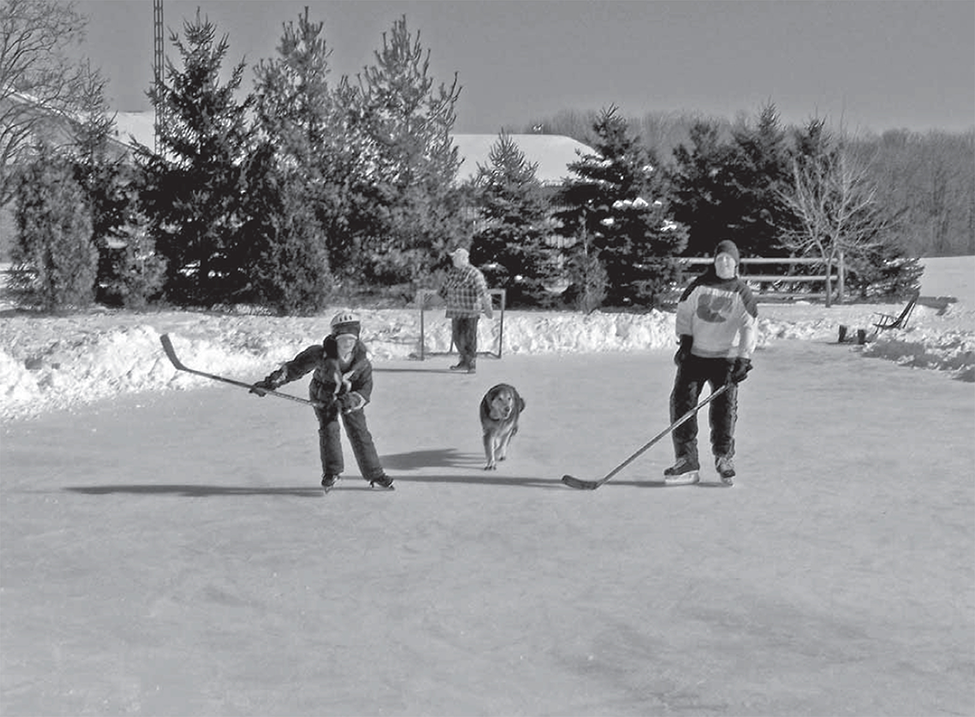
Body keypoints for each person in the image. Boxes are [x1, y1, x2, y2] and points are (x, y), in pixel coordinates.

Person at [250, 311, 393, 492]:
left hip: (349, 398)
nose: (347, 343)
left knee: (360, 432)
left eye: (351, 338)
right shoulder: (320, 354)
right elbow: (293, 369)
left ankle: (375, 473)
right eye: (342, 339)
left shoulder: (363, 363)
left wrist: (346, 402)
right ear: (335, 338)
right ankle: (332, 472)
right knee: (329, 429)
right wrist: (269, 384)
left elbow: (364, 392)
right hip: (323, 395)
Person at [666, 239, 757, 487]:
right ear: (714, 262)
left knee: (724, 411)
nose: (724, 262)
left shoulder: (742, 293)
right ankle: (686, 460)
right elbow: (684, 313)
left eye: (728, 259)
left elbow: (749, 327)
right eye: (719, 259)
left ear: (736, 264)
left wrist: (743, 359)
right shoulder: (699, 286)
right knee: (682, 405)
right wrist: (685, 342)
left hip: (724, 360)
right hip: (695, 357)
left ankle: (723, 457)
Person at [438, 246, 494, 374]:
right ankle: (464, 360)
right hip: (455, 311)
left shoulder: (474, 273)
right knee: (457, 338)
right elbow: (443, 290)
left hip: (470, 312)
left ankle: (471, 362)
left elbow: (482, 292)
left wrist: (487, 306)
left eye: (456, 258)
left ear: (463, 258)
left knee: (469, 337)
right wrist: (430, 302)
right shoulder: (452, 273)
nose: (453, 260)